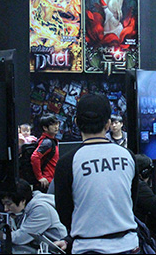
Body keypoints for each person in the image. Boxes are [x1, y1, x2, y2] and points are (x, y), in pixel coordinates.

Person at [54, 93, 139, 254]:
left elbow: (64, 211)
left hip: (86, 246)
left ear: (76, 122)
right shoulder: (128, 156)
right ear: (108, 124)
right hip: (128, 245)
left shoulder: (67, 162)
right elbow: (132, 201)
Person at [0, 179, 67, 253]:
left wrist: (3, 236)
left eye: (9, 204)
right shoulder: (25, 208)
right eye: (4, 204)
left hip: (55, 249)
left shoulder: (41, 209)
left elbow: (21, 237)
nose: (6, 209)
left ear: (23, 200)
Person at [30, 114, 59, 192]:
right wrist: (40, 177)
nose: (56, 127)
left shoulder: (50, 141)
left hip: (51, 180)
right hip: (47, 182)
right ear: (45, 128)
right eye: (52, 125)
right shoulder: (47, 143)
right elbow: (35, 157)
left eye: (57, 124)